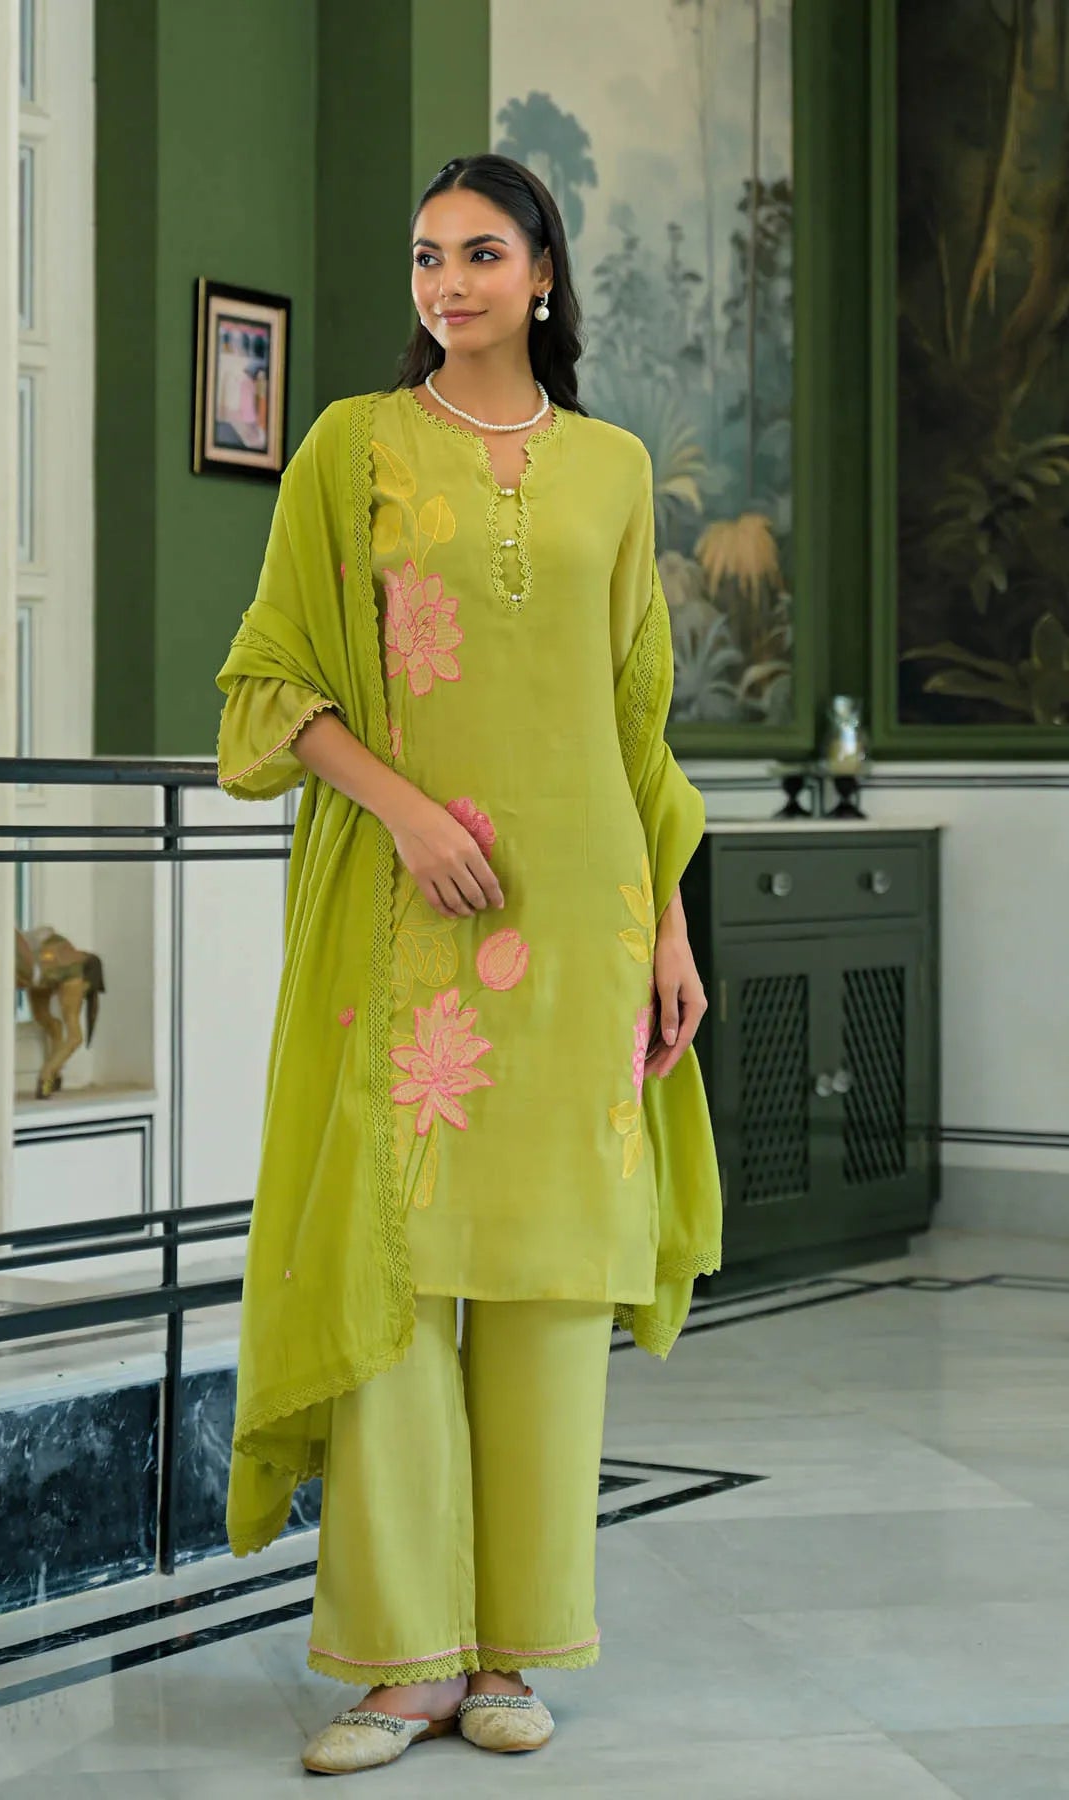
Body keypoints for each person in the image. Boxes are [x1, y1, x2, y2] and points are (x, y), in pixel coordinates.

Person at [213, 152, 723, 1776]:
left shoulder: (616, 473)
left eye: (482, 254)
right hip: (409, 918)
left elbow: (634, 717)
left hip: (581, 921)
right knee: (398, 1272)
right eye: (427, 256)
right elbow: (269, 687)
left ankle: (512, 1656)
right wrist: (411, 814)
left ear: (545, 274)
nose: (448, 284)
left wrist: (669, 925)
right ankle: (399, 1663)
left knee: (553, 1277)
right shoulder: (350, 450)